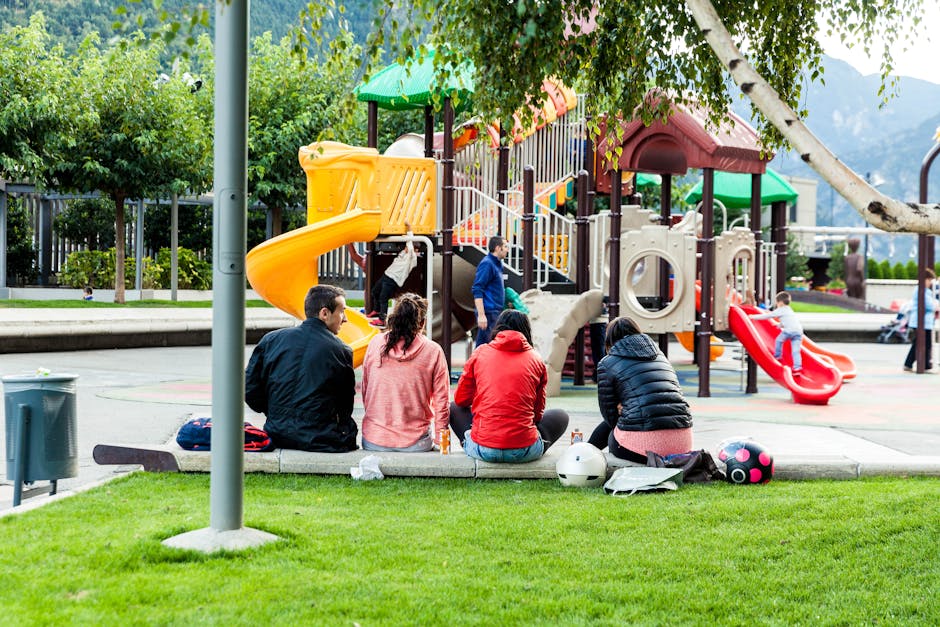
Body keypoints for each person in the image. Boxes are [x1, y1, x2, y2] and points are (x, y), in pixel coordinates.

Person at [244, 284, 357, 452]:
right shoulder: (341, 351)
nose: (345, 318)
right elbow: (345, 405)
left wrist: (276, 412)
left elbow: (250, 389)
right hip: (319, 437)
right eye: (342, 311)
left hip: (277, 431)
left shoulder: (271, 340)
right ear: (324, 313)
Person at [450, 309, 569, 463]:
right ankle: (531, 443)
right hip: (525, 450)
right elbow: (537, 414)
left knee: (453, 407)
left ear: (498, 328)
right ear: (526, 331)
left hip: (483, 449)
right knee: (561, 416)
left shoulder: (480, 353)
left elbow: (460, 400)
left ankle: (472, 442)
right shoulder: (536, 359)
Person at [587, 316, 693, 461]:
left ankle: (583, 452)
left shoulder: (607, 363)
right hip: (683, 443)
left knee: (612, 432)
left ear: (609, 339)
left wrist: (625, 411)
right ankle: (585, 449)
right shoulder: (661, 356)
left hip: (644, 450)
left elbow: (609, 415)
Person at [360, 293, 451, 452]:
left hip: (373, 439)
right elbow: (442, 402)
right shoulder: (433, 351)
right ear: (422, 323)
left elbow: (365, 390)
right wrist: (441, 442)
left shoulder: (375, 343)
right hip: (415, 443)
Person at [368, 221, 418, 327]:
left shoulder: (411, 256)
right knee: (375, 292)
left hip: (392, 279)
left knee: (383, 297)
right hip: (386, 276)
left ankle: (382, 319)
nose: (405, 247)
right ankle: (377, 311)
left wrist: (409, 227)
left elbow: (410, 241)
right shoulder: (403, 254)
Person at [749, 290, 804, 374]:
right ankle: (797, 367)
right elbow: (789, 320)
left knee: (778, 340)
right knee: (795, 351)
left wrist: (753, 317)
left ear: (780, 303)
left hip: (789, 331)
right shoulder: (789, 310)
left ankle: (778, 356)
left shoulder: (780, 310)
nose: (777, 305)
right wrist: (779, 325)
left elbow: (767, 316)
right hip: (798, 332)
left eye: (777, 303)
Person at [471, 235, 509, 347]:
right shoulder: (487, 264)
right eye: (505, 246)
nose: (507, 249)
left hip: (495, 312)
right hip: (489, 312)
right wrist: (482, 315)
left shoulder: (497, 264)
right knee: (485, 347)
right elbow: (477, 288)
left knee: (490, 346)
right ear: (498, 248)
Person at [903, 268, 936, 372]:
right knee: (922, 344)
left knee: (919, 344)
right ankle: (923, 365)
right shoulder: (921, 290)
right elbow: (929, 305)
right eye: (929, 280)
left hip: (922, 322)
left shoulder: (924, 291)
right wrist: (936, 306)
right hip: (921, 323)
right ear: (924, 279)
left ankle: (912, 364)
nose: (930, 283)